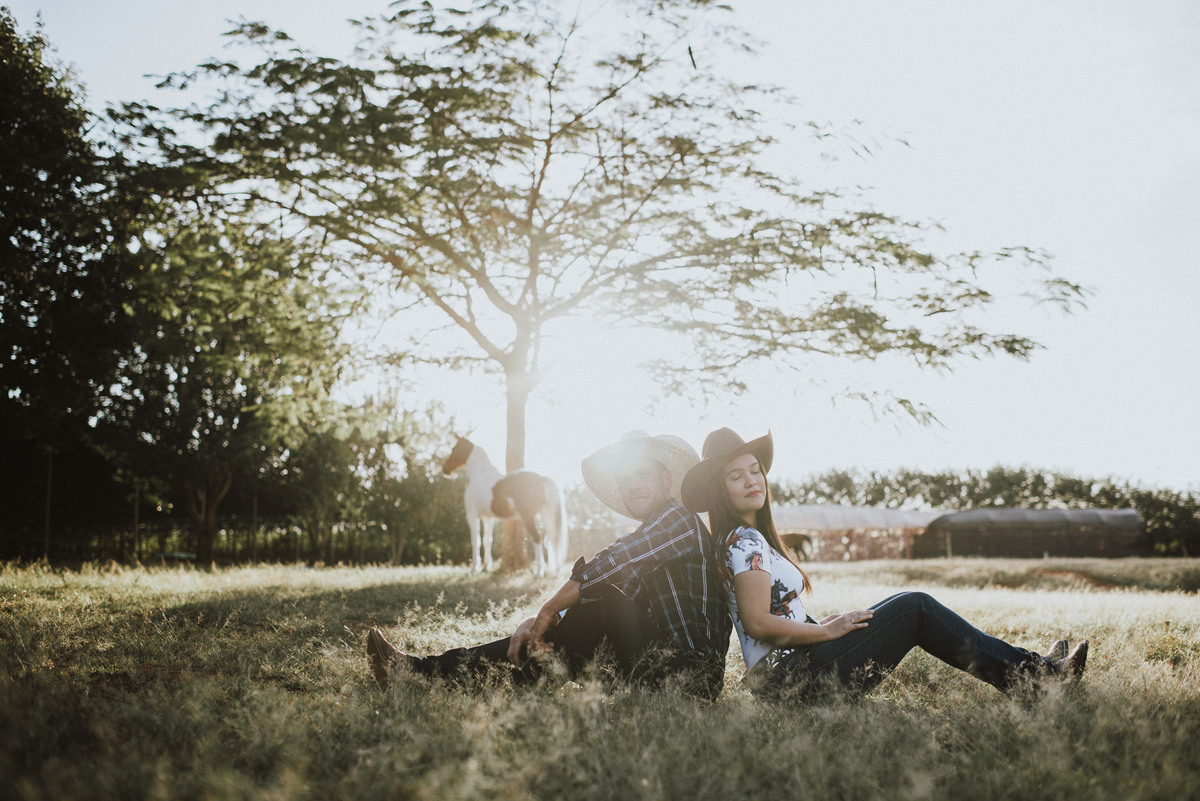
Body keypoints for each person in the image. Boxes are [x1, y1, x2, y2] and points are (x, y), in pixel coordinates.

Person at [679, 427, 1088, 700]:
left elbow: (771, 617)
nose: (753, 481)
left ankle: (1037, 670)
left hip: (792, 673)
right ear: (720, 489)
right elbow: (758, 624)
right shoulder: (744, 540)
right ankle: (1037, 680)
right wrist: (826, 632)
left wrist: (822, 625)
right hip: (793, 680)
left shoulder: (748, 539)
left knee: (904, 606)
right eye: (737, 476)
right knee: (916, 607)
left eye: (755, 470)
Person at [367, 431, 733, 699]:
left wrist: (546, 611)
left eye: (643, 474)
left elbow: (609, 565)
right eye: (625, 479)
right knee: (587, 620)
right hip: (658, 665)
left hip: (691, 677)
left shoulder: (677, 520)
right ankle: (453, 676)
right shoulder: (656, 534)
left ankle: (428, 672)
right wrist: (546, 623)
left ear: (666, 479)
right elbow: (609, 592)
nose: (634, 485)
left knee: (599, 604)